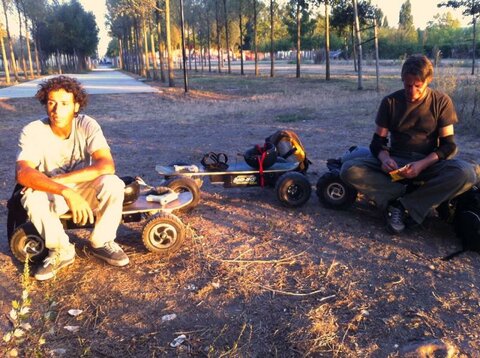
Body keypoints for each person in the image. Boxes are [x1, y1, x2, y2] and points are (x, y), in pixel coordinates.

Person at [340, 55, 477, 234]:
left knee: (467, 173)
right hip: (396, 161)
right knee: (348, 169)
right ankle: (403, 194)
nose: (412, 91)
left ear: (428, 81)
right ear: (402, 80)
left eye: (418, 86)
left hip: (428, 163)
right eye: (407, 85)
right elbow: (377, 143)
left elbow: (448, 146)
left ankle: (405, 206)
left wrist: (421, 165)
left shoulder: (442, 102)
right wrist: (384, 158)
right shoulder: (390, 102)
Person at [16, 75, 129, 281]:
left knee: (113, 183)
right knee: (31, 197)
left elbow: (106, 165)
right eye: (51, 103)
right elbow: (23, 172)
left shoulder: (87, 125)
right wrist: (65, 191)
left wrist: (64, 182)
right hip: (53, 194)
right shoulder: (33, 131)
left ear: (76, 106)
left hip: (80, 189)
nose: (57, 111)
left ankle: (102, 242)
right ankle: (60, 250)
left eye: (64, 104)